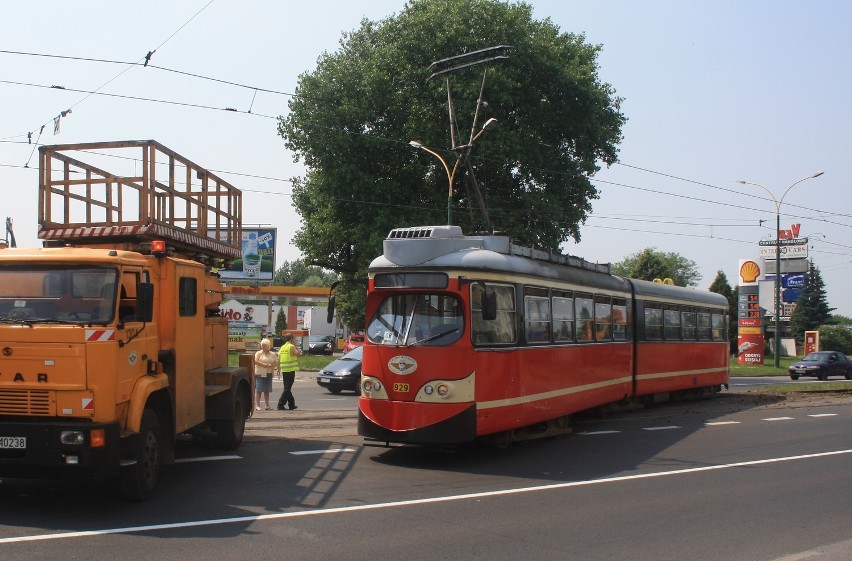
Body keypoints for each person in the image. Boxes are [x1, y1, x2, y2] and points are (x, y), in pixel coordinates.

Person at [277, 333, 301, 410]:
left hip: (284, 370)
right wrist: (296, 345)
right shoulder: (291, 346)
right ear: (291, 339)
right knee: (287, 389)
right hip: (290, 370)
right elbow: (298, 354)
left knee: (287, 388)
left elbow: (278, 358)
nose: (294, 340)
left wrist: (278, 369)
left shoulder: (283, 347)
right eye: (294, 338)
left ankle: (291, 404)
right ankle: (280, 404)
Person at [253, 338, 278, 411]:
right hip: (260, 373)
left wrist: (272, 365)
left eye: (265, 345)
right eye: (262, 345)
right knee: (259, 390)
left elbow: (276, 361)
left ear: (268, 346)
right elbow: (255, 361)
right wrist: (264, 364)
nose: (263, 346)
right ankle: (257, 405)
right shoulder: (258, 353)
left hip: (269, 373)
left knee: (267, 390)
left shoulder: (272, 354)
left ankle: (267, 405)